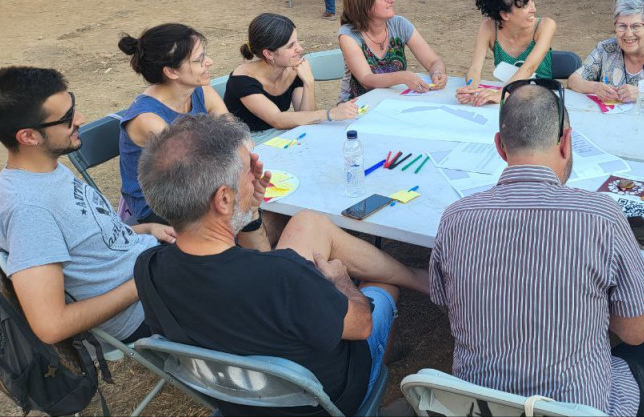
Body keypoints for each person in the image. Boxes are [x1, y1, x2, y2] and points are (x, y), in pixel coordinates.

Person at [135, 114, 430, 417]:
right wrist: (342, 281)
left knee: (307, 222)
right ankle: (377, 370)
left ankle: (420, 282)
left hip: (241, 394)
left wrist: (247, 209)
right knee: (382, 288)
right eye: (249, 171)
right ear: (223, 199)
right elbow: (360, 324)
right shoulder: (284, 276)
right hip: (325, 400)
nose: (258, 175)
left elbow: (251, 279)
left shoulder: (148, 268)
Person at [431, 80, 644, 416]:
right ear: (567, 142)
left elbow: (446, 303)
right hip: (574, 409)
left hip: (480, 407)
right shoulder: (603, 216)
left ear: (500, 146)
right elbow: (635, 331)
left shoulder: (456, 217)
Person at [0, 66, 174, 344]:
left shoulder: (46, 168)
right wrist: (146, 281)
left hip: (155, 268)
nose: (80, 119)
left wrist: (144, 229)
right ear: (29, 137)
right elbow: (52, 326)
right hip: (145, 311)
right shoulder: (28, 211)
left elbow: (91, 239)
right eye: (67, 118)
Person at [117, 23, 230, 226]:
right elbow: (193, 171)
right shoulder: (148, 119)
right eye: (199, 60)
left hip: (197, 185)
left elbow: (232, 133)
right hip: (159, 205)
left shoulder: (198, 90)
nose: (209, 62)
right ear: (171, 72)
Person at [225, 13, 358, 134]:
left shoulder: (292, 70)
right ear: (269, 53)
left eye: (297, 41)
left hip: (278, 138)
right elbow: (277, 119)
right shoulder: (242, 80)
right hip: (247, 143)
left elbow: (307, 117)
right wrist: (330, 114)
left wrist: (309, 83)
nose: (300, 49)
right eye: (290, 46)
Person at [455, 0, 557, 106]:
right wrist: (471, 88)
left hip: (540, 101)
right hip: (508, 102)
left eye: (532, 1)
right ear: (505, 15)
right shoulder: (488, 28)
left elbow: (529, 67)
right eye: (525, 5)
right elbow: (475, 68)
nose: (534, 9)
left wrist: (501, 94)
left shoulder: (546, 26)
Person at [338, 0, 446, 102]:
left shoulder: (400, 24)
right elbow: (366, 80)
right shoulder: (348, 35)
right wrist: (402, 77)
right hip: (356, 106)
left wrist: (437, 73)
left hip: (393, 102)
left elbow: (433, 61)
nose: (391, 0)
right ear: (363, 4)